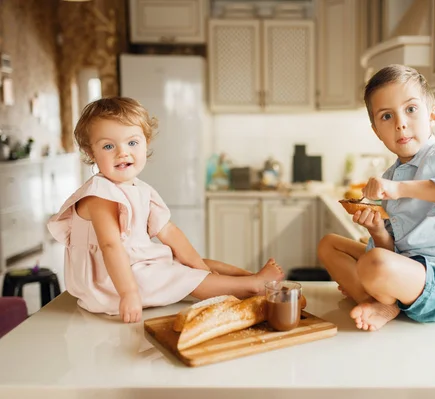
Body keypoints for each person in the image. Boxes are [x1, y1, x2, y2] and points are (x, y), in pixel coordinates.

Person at [48, 97, 284, 323]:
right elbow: (111, 247)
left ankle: (251, 279)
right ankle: (252, 285)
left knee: (194, 263)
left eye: (132, 142)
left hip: (134, 264)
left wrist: (201, 270)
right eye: (108, 146)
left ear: (145, 143)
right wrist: (129, 294)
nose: (123, 152)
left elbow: (169, 232)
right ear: (91, 153)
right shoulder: (100, 195)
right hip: (110, 283)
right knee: (180, 276)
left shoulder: (140, 189)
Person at [318, 65, 435, 331]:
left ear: (433, 114)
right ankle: (379, 303)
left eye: (411, 109)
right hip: (410, 273)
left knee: (374, 264)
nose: (400, 123)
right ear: (377, 131)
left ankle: (382, 300)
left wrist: (399, 189)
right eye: (387, 116)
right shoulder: (393, 174)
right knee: (329, 245)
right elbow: (394, 251)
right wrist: (378, 230)